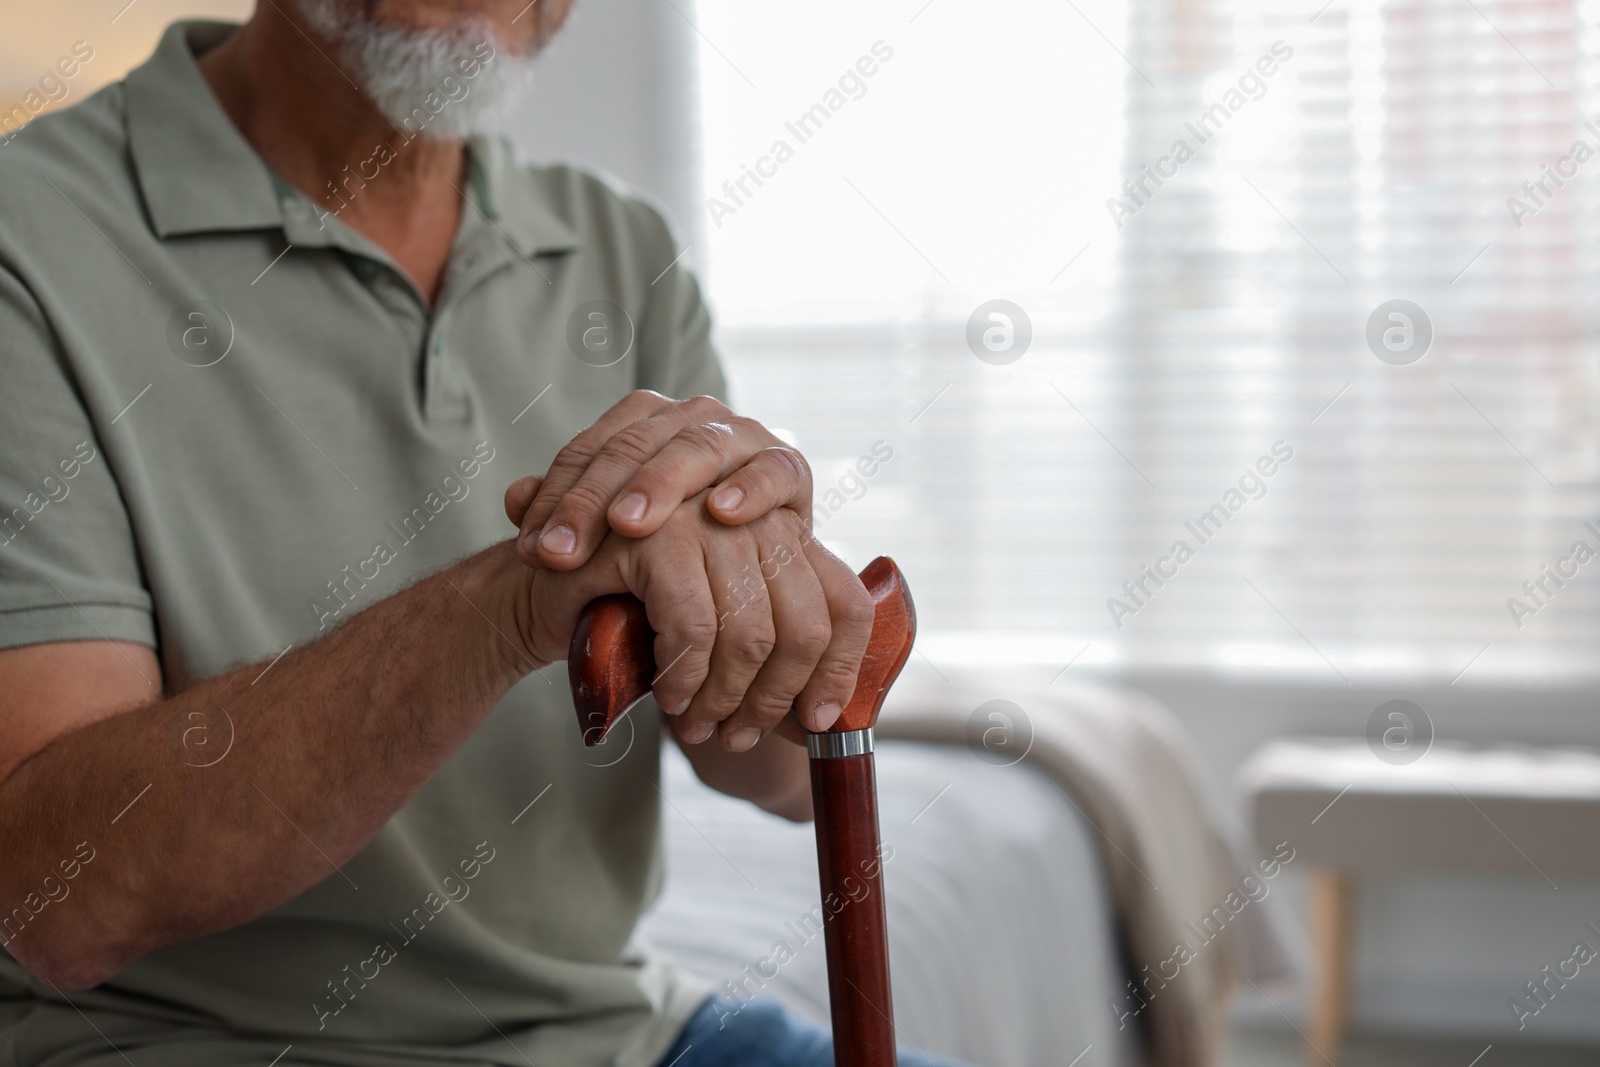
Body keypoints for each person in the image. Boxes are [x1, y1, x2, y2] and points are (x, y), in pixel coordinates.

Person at [0, 2, 964, 1064]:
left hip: (617, 1038)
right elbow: (59, 903)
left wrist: (767, 605)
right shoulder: (28, 244)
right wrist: (504, 607)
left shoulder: (618, 245)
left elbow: (776, 781)